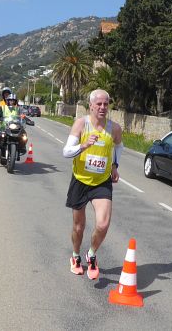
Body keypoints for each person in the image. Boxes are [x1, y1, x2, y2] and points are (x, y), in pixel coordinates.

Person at [62, 89, 123, 279]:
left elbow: (119, 146)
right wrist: (83, 145)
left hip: (101, 182)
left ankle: (91, 254)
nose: (103, 107)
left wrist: (114, 164)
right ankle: (75, 256)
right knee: (79, 227)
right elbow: (66, 152)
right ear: (91, 106)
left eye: (106, 104)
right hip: (80, 181)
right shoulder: (81, 124)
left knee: (103, 224)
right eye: (99, 104)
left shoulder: (114, 128)